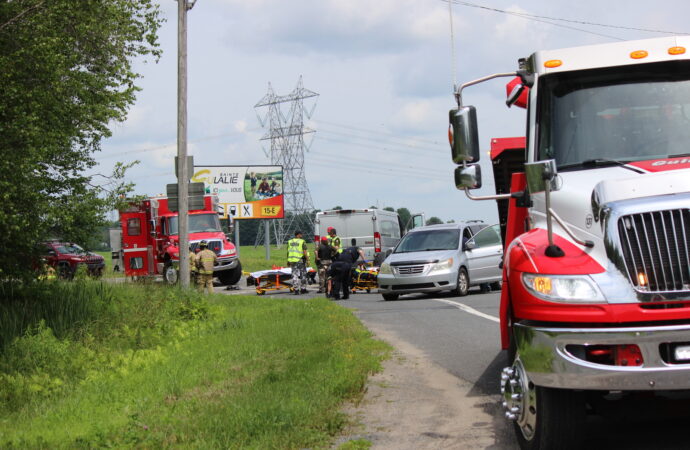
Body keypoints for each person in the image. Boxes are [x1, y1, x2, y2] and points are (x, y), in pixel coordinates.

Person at [287, 231, 309, 295]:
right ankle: (303, 289)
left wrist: (288, 261)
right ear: (298, 235)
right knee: (303, 274)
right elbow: (304, 251)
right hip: (300, 260)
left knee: (294, 275)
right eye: (301, 234)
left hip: (292, 260)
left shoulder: (289, 241)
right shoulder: (302, 241)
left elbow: (288, 252)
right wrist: (307, 260)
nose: (302, 235)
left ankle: (296, 290)